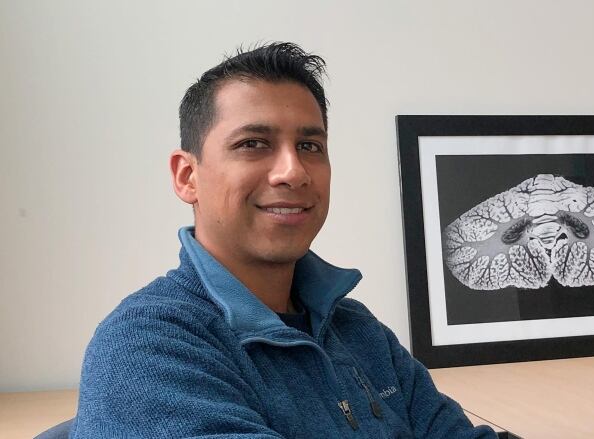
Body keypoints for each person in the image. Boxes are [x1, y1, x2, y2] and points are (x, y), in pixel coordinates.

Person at [70, 42, 497, 438]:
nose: (293, 171)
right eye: (253, 143)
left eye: (310, 145)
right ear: (188, 177)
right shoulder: (147, 348)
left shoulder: (358, 330)